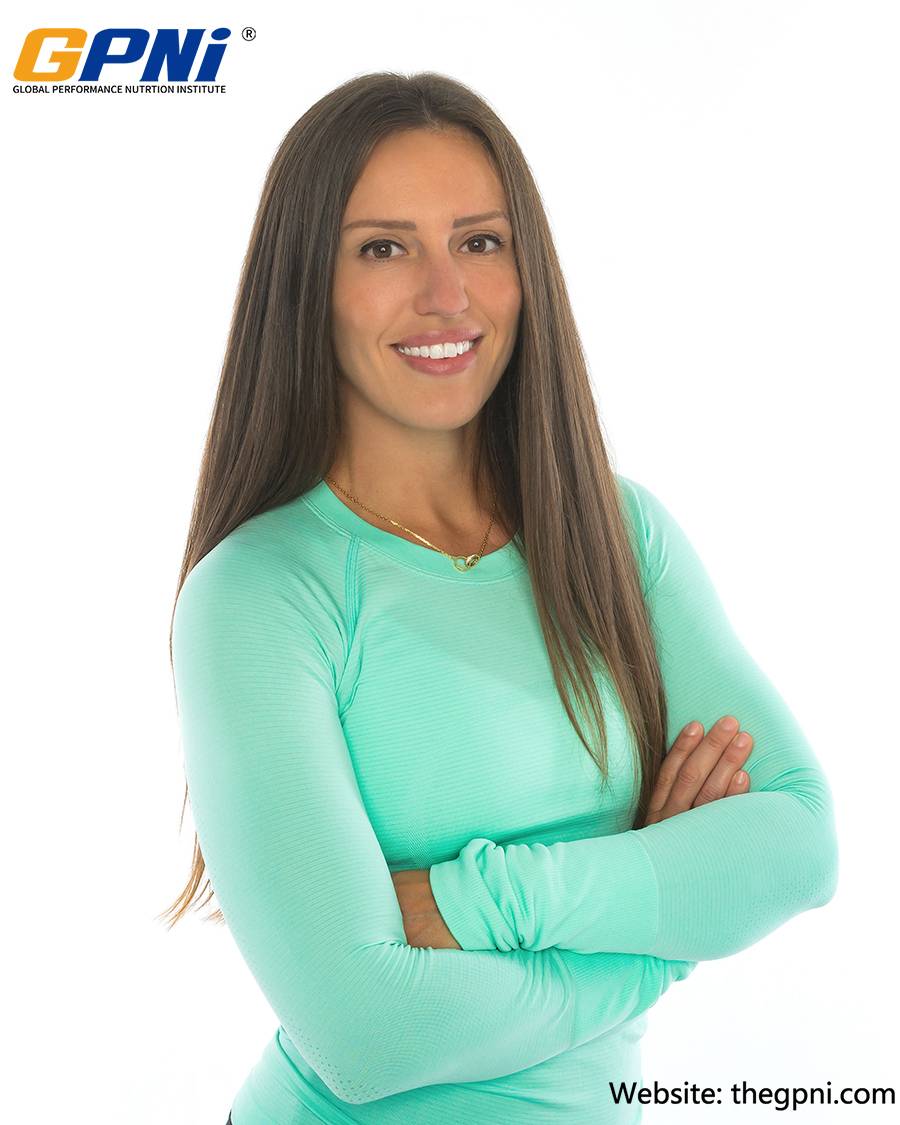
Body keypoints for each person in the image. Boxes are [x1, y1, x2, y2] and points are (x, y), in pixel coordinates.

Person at [160, 71, 839, 1124]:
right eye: (383, 249)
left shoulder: (617, 533)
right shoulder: (258, 594)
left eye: (480, 241)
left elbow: (799, 845)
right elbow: (368, 1035)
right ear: (306, 286)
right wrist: (665, 927)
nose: (447, 295)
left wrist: (471, 901)